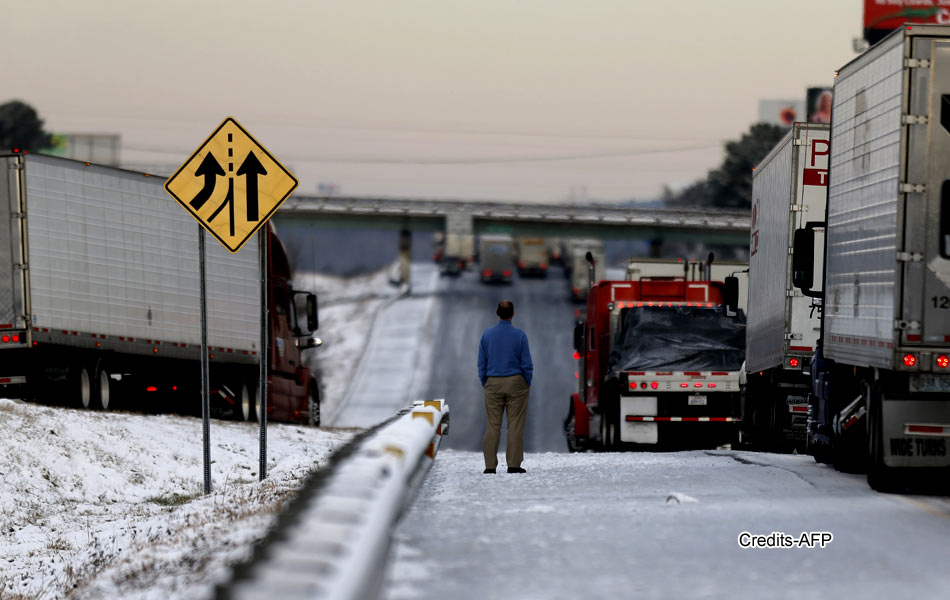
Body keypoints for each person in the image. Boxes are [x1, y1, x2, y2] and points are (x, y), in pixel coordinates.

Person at [477, 300, 533, 474]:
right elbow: (527, 363)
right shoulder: (520, 335)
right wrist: (526, 381)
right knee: (515, 424)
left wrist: (485, 381)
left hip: (493, 381)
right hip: (516, 382)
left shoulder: (487, 335)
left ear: (497, 313)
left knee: (493, 425)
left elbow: (481, 362)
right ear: (513, 314)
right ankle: (514, 464)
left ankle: (490, 466)